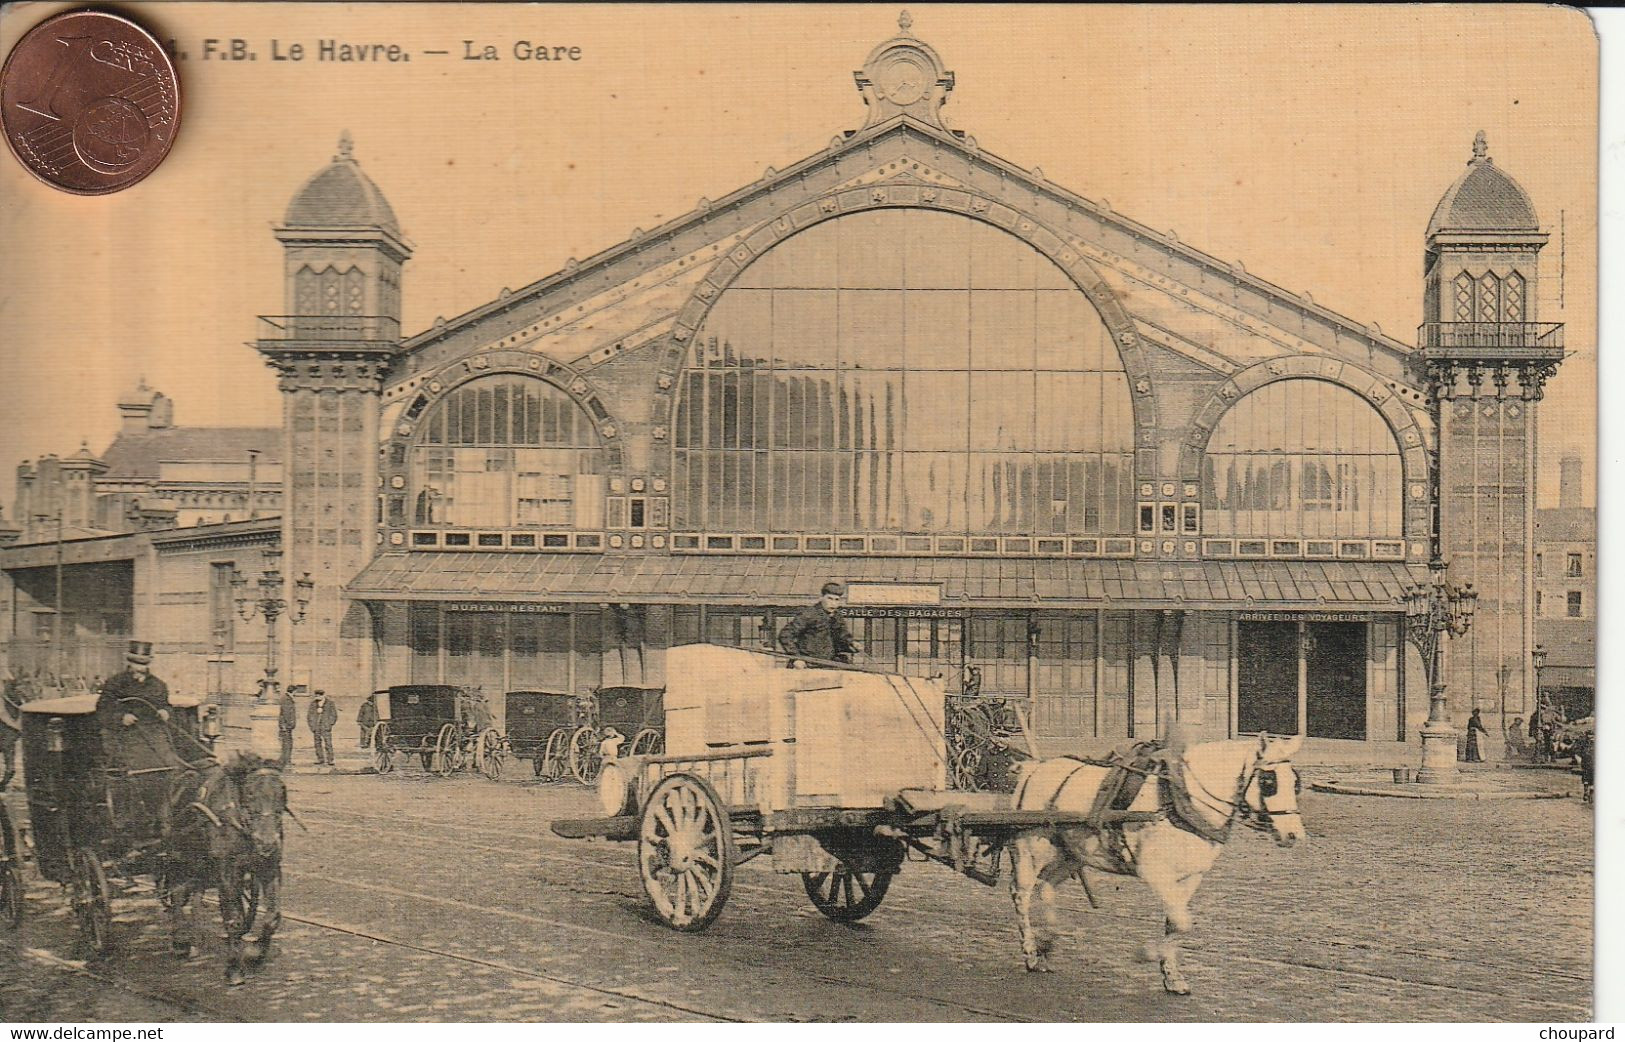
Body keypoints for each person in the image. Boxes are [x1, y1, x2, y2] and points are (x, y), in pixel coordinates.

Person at [777, 582, 861, 667]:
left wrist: (852, 643)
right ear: (821, 598)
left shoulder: (837, 617)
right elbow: (785, 635)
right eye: (830, 599)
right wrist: (796, 658)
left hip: (828, 664)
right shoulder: (809, 614)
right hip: (806, 665)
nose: (833, 603)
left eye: (837, 600)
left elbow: (843, 637)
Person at [95, 641, 170, 732]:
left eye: (143, 664)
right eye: (135, 663)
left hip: (152, 732)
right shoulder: (115, 682)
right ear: (129, 662)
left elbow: (166, 705)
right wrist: (121, 718)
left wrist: (165, 712)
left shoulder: (158, 684)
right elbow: (103, 709)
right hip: (123, 733)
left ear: (149, 664)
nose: (139, 668)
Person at [308, 689, 338, 767]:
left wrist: (329, 724)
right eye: (316, 696)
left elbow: (334, 715)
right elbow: (309, 716)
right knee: (317, 744)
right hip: (316, 727)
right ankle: (320, 759)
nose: (317, 697)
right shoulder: (313, 704)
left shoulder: (330, 703)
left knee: (328, 743)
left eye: (319, 696)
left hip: (325, 727)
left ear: (323, 695)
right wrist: (312, 726)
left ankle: (330, 759)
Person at [277, 687, 297, 767]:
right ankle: (286, 761)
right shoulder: (287, 699)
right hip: (286, 726)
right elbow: (285, 713)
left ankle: (286, 760)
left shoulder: (287, 698)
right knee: (287, 744)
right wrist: (285, 726)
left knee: (287, 743)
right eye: (295, 691)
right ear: (294, 691)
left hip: (287, 726)